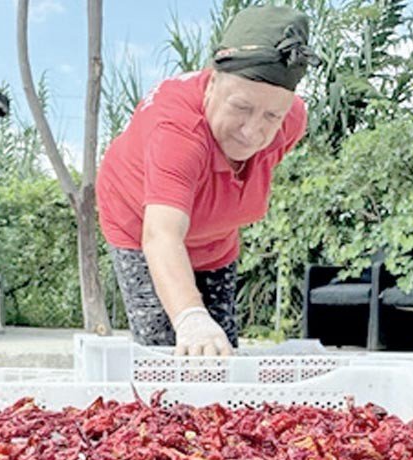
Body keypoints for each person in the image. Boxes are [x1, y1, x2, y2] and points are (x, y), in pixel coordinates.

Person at [97, 5, 317, 356]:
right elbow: (162, 235)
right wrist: (189, 316)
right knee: (167, 349)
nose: (252, 131)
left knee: (220, 350)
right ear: (212, 83)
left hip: (215, 237)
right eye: (242, 107)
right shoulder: (177, 134)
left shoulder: (290, 121)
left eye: (271, 115)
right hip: (141, 224)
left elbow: (242, 170)